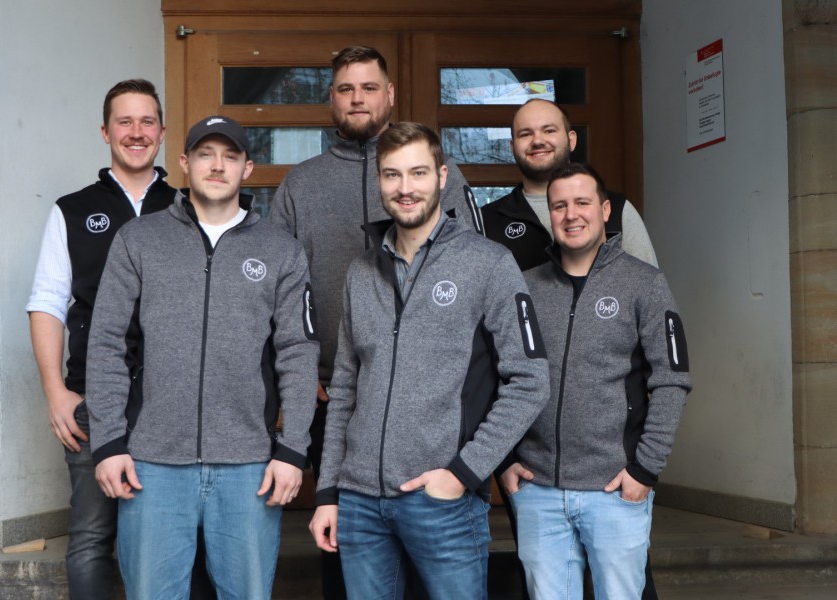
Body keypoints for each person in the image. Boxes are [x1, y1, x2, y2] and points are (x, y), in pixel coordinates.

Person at [269, 45, 479, 599]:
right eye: (345, 89)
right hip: (332, 395)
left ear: (390, 94)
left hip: (433, 401)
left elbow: (476, 277)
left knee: (431, 550)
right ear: (331, 99)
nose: (357, 98)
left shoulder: (442, 178)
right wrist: (299, 377)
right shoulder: (300, 184)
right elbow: (277, 293)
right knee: (346, 550)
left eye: (368, 87)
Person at [309, 122, 550, 600]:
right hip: (360, 501)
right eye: (392, 175)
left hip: (441, 501)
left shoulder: (489, 263)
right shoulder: (361, 271)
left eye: (418, 173)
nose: (405, 188)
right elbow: (345, 389)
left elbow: (530, 380)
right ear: (379, 181)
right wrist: (329, 491)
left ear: (441, 177)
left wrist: (463, 473)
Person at [86, 115, 320, 599]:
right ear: (184, 163)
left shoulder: (280, 250)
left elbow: (298, 353)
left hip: (248, 466)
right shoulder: (139, 239)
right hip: (151, 464)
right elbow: (107, 342)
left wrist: (293, 450)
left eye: (230, 156)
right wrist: (108, 442)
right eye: (206, 154)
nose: (217, 166)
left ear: (247, 169)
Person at [501, 163, 691, 600]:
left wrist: (644, 469)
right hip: (538, 491)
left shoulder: (645, 284)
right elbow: (501, 375)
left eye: (582, 203)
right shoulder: (524, 288)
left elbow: (672, 379)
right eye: (559, 206)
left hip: (615, 489)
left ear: (605, 211)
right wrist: (505, 460)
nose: (571, 215)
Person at [26, 78, 181, 599]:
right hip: (92, 399)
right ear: (105, 131)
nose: (136, 132)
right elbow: (48, 302)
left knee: (170, 536)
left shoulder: (186, 207)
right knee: (92, 536)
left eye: (147, 121)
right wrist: (56, 392)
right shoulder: (71, 210)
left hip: (173, 403)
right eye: (124, 121)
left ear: (162, 131)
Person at [481, 98, 657, 270]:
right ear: (512, 147)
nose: (538, 141)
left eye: (549, 130)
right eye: (526, 134)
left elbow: (648, 283)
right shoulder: (487, 221)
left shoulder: (616, 208)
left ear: (571, 140)